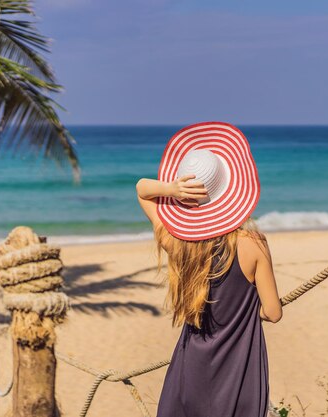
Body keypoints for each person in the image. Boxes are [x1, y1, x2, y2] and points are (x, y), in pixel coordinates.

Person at [136, 122, 282, 417]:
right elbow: (273, 312)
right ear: (232, 193)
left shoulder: (176, 242)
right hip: (238, 370)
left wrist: (171, 190)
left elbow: (142, 190)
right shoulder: (254, 244)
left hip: (191, 369)